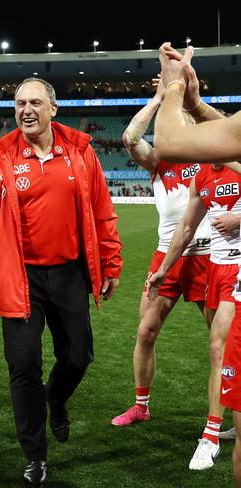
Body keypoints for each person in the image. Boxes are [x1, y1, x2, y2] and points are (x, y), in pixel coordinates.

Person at [0, 77, 122, 485]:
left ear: (53, 109)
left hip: (71, 274)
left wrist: (111, 265)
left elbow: (102, 211)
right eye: (20, 103)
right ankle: (35, 455)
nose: (27, 110)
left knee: (78, 359)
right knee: (23, 367)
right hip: (20, 279)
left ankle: (56, 399)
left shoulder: (80, 152)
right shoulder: (0, 159)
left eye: (36, 102)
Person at [152, 42, 241, 486]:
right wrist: (165, 269)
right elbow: (186, 229)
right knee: (218, 349)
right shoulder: (208, 172)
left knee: (221, 347)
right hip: (223, 268)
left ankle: (211, 434)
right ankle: (213, 429)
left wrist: (173, 89)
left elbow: (168, 141)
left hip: (236, 272)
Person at [111, 80, 212, 429]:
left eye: (183, 119)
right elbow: (130, 138)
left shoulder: (210, 159)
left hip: (208, 255)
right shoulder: (158, 163)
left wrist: (187, 95)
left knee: (221, 341)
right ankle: (141, 405)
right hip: (165, 257)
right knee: (145, 333)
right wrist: (158, 99)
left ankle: (227, 415)